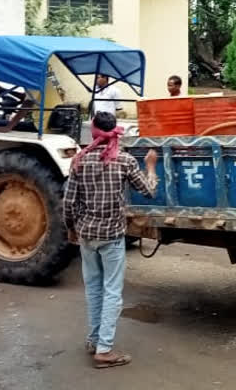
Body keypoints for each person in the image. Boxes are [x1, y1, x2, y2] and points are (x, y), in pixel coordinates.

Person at [63, 111, 158, 369]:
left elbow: (69, 203)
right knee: (112, 292)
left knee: (93, 288)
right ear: (114, 131)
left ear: (93, 132)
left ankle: (94, 340)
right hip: (112, 237)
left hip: (87, 236)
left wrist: (71, 229)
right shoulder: (124, 161)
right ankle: (104, 350)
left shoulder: (79, 160)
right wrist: (150, 166)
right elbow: (148, 192)